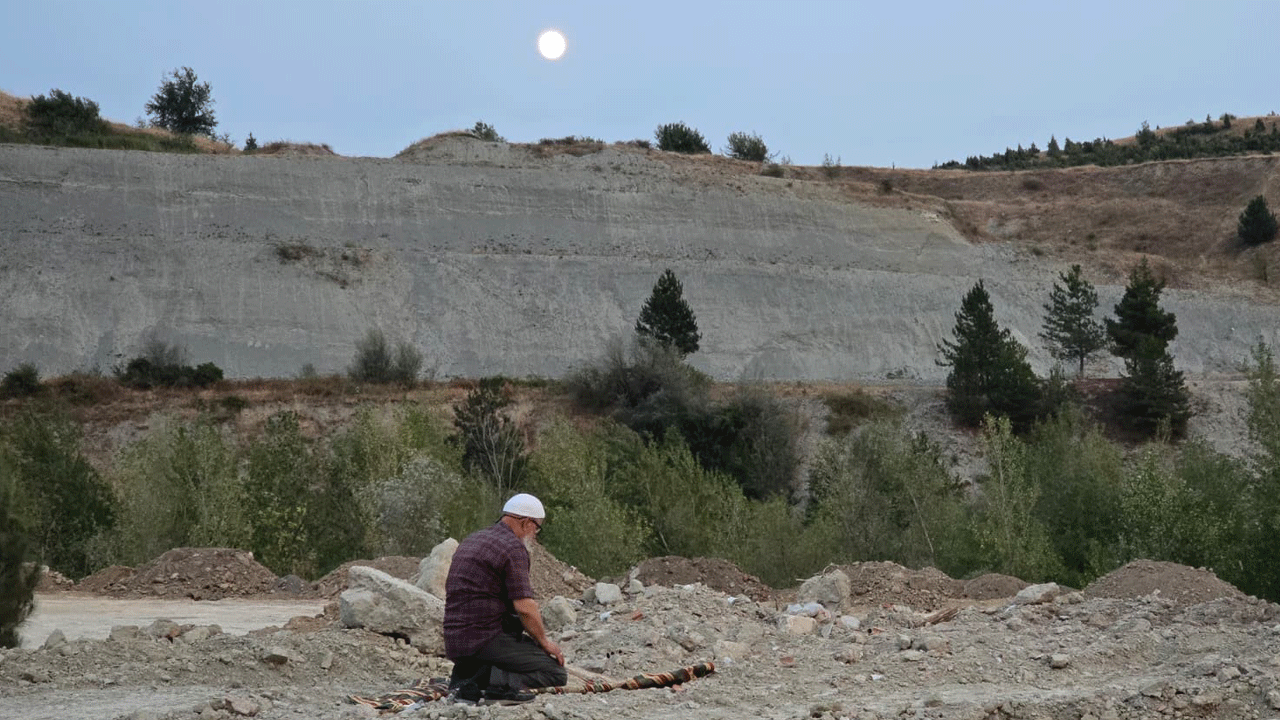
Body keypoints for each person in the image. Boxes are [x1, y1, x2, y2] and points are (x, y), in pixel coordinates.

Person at [443, 492, 567, 704]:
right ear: (526, 522)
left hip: (456, 641)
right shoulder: (513, 548)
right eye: (537, 528)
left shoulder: (474, 539)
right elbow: (525, 608)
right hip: (484, 638)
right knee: (555, 673)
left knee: (518, 645)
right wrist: (544, 642)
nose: (535, 535)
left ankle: (468, 679)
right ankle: (498, 687)